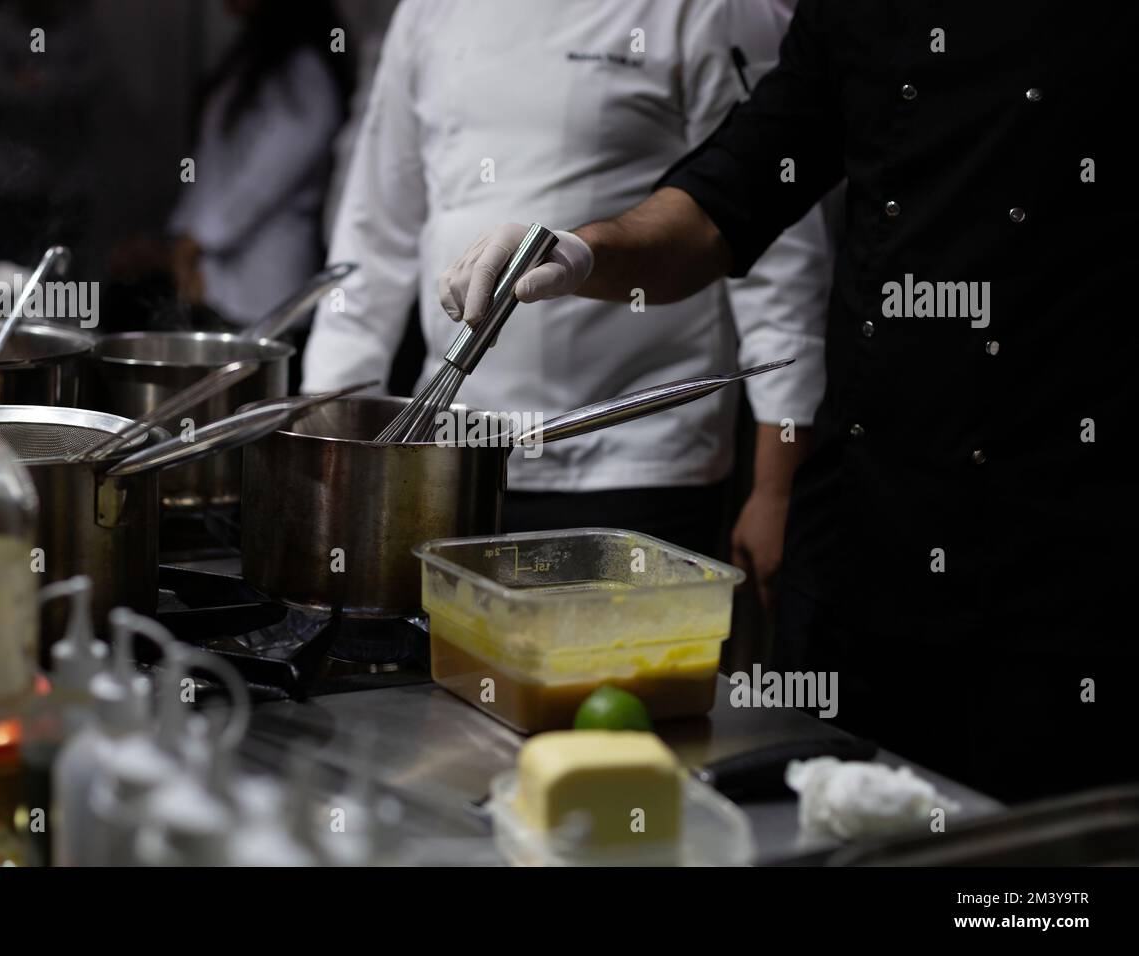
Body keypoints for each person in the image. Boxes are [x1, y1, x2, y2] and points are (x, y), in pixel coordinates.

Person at [439, 1, 1139, 802]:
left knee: (1034, 893)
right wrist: (583, 252)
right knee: (820, 825)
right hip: (870, 539)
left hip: (1076, 555)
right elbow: (723, 198)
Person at [302, 0, 831, 572]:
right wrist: (323, 446)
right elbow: (374, 231)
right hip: (453, 451)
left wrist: (779, 487)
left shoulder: (716, 9)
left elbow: (777, 249)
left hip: (638, 459)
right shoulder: (430, 10)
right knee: (451, 660)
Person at [168, 0, 352, 328]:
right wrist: (184, 237)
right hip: (220, 283)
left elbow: (266, 176)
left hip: (266, 288)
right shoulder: (252, 59)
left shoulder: (305, 70)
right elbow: (213, 169)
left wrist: (198, 239)